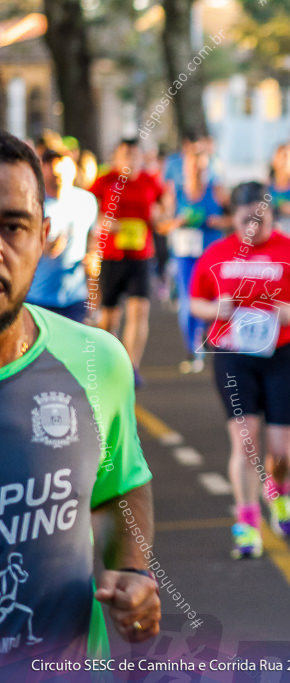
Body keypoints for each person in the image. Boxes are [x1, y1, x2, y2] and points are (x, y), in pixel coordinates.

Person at [0, 131, 159, 673]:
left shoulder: (97, 363)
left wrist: (133, 570)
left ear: (43, 237)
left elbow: (121, 486)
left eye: (12, 227)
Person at [190, 181, 290, 559]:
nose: (253, 227)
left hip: (281, 356)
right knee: (245, 443)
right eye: (245, 220)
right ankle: (247, 523)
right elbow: (196, 303)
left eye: (261, 218)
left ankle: (280, 493)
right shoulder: (217, 253)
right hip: (233, 356)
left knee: (282, 451)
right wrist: (215, 311)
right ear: (233, 219)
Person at [90, 138, 171, 385]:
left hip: (140, 255)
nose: (130, 159)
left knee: (139, 310)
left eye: (135, 155)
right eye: (125, 154)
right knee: (110, 317)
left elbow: (164, 207)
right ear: (117, 157)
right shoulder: (105, 180)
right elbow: (90, 209)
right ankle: (106, 363)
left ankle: (130, 368)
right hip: (112, 255)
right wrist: (104, 222)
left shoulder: (149, 181)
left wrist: (161, 216)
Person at [162, 141, 232, 374]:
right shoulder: (176, 192)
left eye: (201, 167)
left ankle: (217, 341)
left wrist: (218, 222)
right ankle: (193, 349)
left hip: (212, 253)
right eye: (192, 166)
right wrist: (178, 222)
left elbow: (236, 219)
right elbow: (161, 225)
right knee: (188, 299)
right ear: (184, 167)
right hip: (185, 255)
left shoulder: (217, 190)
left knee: (215, 299)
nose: (197, 171)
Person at [26, 149, 98, 323]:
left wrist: (93, 259)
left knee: (73, 349)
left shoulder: (86, 201)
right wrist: (41, 246)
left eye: (63, 167)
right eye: (52, 168)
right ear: (42, 170)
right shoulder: (31, 202)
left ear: (73, 168)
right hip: (37, 299)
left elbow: (93, 242)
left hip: (75, 299)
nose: (58, 173)